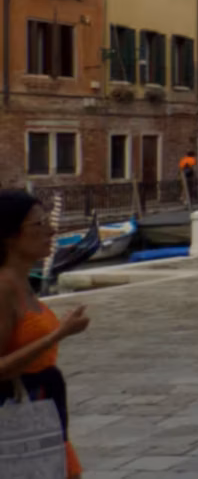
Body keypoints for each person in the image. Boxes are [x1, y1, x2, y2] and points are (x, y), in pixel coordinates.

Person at [0, 190, 89, 477]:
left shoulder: (23, 283)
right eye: (39, 225)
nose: (52, 230)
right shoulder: (3, 288)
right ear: (10, 235)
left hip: (42, 414)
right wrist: (57, 334)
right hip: (17, 415)